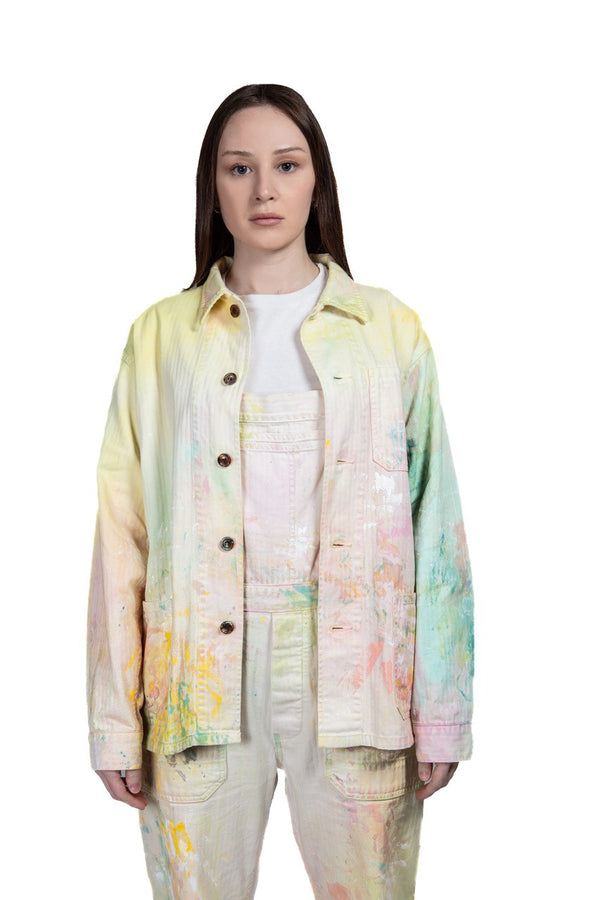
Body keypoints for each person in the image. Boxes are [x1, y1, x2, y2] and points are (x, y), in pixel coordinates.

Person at [87, 83, 474, 899]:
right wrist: (116, 719)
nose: (264, 189)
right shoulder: (161, 338)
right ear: (213, 187)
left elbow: (435, 525)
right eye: (239, 168)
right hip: (196, 678)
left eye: (286, 165)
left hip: (359, 673)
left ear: (316, 181)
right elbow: (123, 534)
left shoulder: (389, 331)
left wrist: (442, 710)